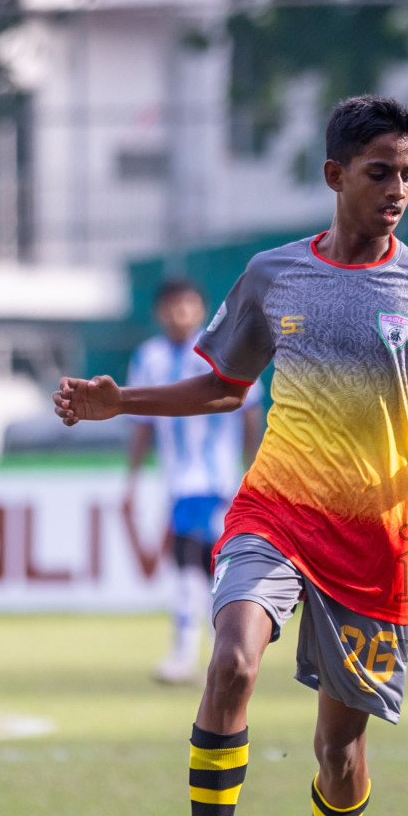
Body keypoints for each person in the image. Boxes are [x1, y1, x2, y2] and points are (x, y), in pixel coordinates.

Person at [52, 95, 408, 816]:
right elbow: (224, 386)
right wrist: (120, 403)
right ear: (335, 176)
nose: (397, 188)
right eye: (380, 173)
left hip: (372, 543)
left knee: (338, 749)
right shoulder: (273, 274)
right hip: (275, 511)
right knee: (231, 661)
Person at [125, 279, 264, 685]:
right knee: (202, 569)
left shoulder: (221, 349)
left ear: (202, 309)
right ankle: (215, 655)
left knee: (196, 566)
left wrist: (248, 467)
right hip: (176, 481)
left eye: (187, 304)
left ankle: (191, 655)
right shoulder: (147, 357)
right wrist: (132, 479)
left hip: (216, 480)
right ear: (158, 312)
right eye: (171, 305)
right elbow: (140, 424)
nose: (178, 313)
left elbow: (250, 409)